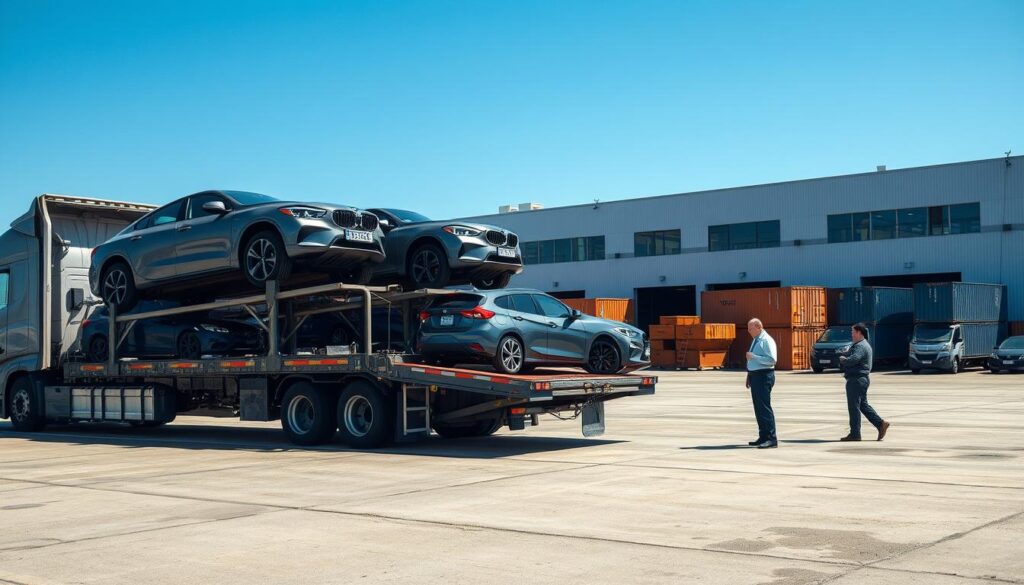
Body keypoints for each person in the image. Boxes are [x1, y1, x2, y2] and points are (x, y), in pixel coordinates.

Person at [838, 322, 890, 441]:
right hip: (861, 380)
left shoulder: (860, 346)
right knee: (863, 405)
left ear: (858, 332)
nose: (851, 334)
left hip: (856, 380)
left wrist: (844, 360)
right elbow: (855, 356)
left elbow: (854, 359)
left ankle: (855, 434)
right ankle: (880, 424)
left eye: (852, 332)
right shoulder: (862, 345)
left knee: (854, 407)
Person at [745, 318, 778, 448]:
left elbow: (772, 360)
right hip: (756, 376)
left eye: (750, 328)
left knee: (764, 407)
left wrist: (754, 357)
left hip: (764, 376)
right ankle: (763, 435)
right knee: (758, 408)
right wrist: (749, 374)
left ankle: (771, 438)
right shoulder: (756, 339)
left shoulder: (766, 341)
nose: (748, 331)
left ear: (758, 327)